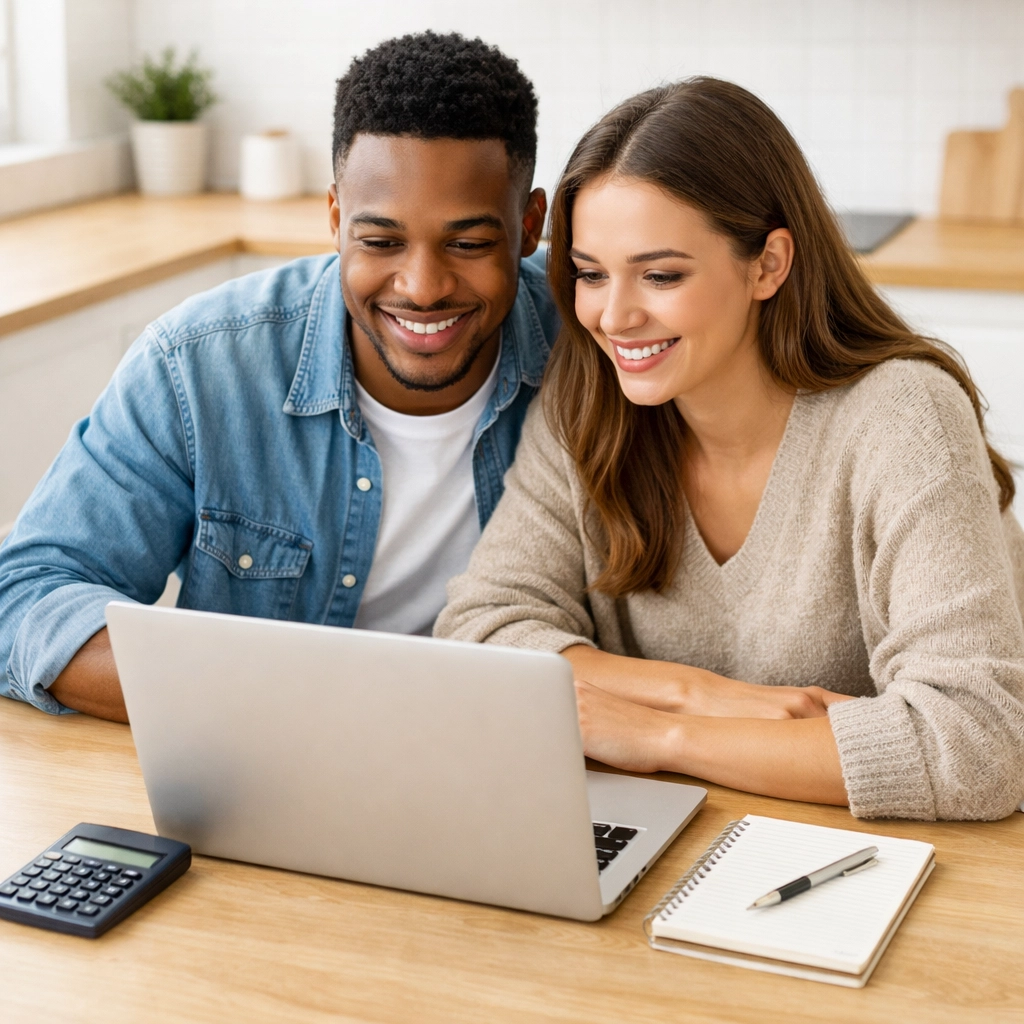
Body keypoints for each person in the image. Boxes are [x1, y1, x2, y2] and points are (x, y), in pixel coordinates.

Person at [436, 77, 1024, 821]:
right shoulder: (592, 398)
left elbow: (976, 742)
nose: (614, 316)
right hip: (701, 827)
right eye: (589, 274)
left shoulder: (902, 416)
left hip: (907, 859)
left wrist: (662, 735)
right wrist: (703, 695)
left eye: (661, 274)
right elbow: (482, 628)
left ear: (768, 264)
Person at [0, 32, 556, 722]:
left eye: (469, 244)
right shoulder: (199, 365)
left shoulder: (596, 343)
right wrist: (302, 704)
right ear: (334, 219)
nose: (422, 287)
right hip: (275, 768)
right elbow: (26, 595)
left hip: (514, 759)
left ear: (529, 225)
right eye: (380, 242)